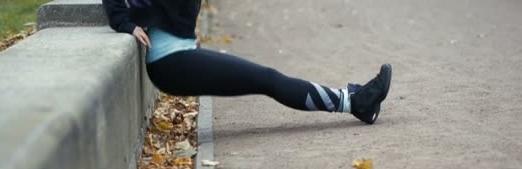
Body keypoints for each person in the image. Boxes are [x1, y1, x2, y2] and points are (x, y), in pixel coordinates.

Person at [102, 0, 392, 124]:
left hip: (180, 56)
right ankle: (355, 103)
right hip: (170, 62)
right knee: (267, 78)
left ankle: (353, 101)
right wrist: (124, 23)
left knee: (266, 78)